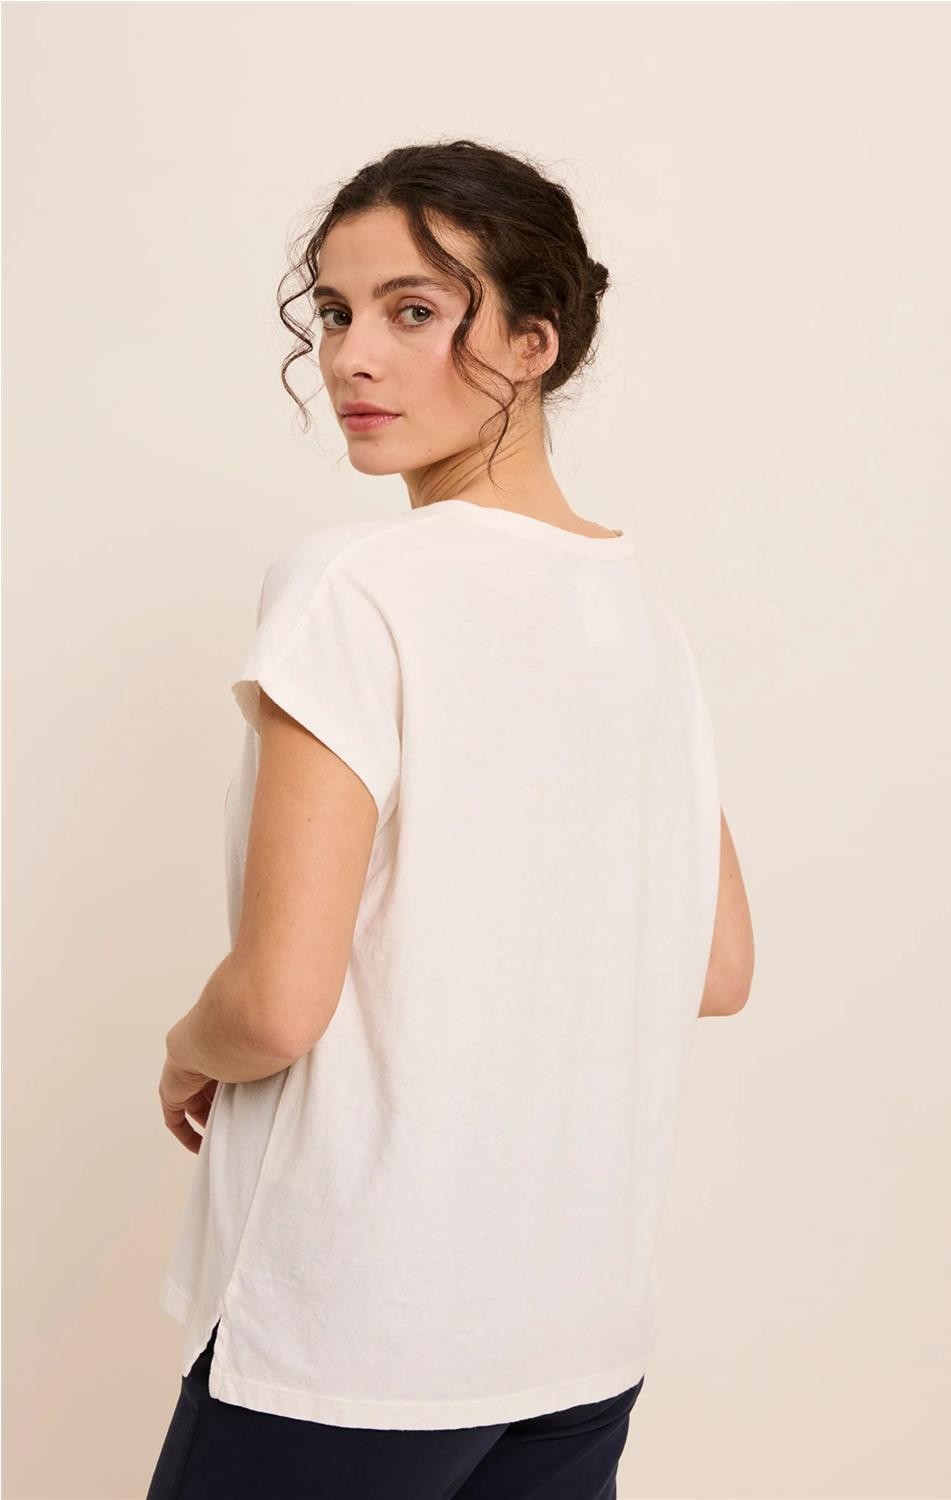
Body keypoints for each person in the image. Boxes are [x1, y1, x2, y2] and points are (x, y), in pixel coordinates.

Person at [147, 138, 755, 1500]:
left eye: (413, 311)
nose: (353, 358)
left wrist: (188, 1045)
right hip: (575, 1340)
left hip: (355, 1340)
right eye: (335, 312)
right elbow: (718, 967)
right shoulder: (643, 621)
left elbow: (276, 1006)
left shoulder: (355, 584)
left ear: (536, 343)